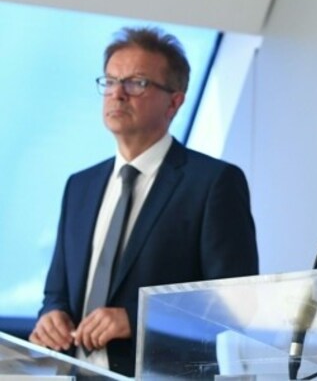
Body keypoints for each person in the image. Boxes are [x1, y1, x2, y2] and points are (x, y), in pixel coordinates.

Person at [29, 27, 259, 376]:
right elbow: (56, 294)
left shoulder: (213, 183)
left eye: (136, 83)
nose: (117, 94)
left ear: (175, 101)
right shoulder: (80, 186)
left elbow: (236, 304)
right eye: (109, 81)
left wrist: (139, 319)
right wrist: (52, 316)